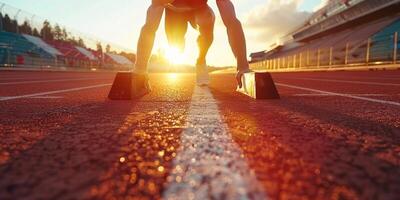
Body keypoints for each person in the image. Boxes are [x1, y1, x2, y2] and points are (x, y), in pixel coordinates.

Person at [134, 0, 250, 91]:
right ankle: (179, 43)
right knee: (176, 46)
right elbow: (149, 27)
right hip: (174, 14)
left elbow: (231, 21)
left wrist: (243, 67)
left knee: (206, 18)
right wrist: (140, 69)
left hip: (199, 10)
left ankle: (201, 59)